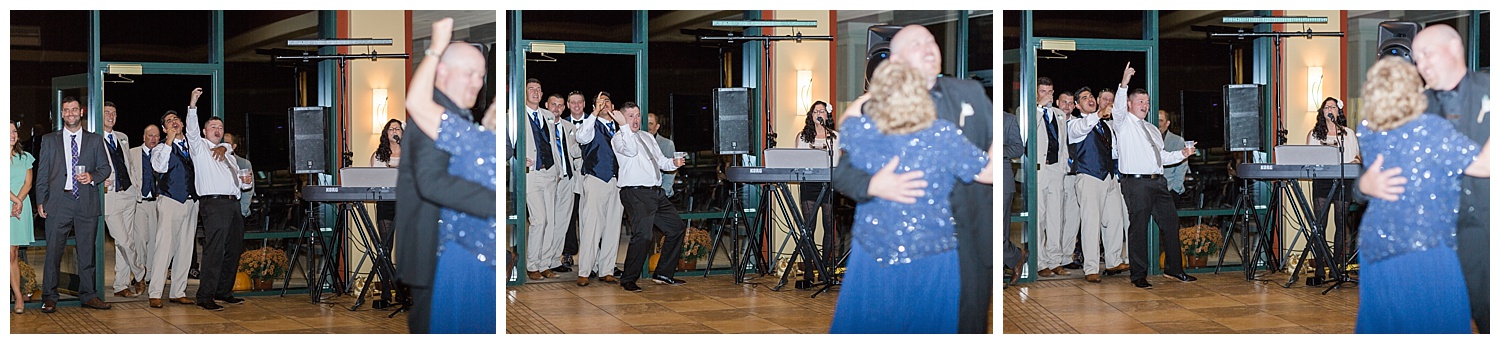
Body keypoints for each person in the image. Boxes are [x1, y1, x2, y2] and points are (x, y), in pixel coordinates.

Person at [830, 24, 995, 334]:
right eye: (918, 43)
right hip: (881, 251)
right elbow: (842, 172)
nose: (930, 47)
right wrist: (872, 185)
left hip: (966, 245)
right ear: (895, 60)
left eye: (932, 41)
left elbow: (992, 164)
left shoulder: (969, 92)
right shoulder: (872, 112)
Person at [1361, 24, 1490, 333]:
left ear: (1456, 48)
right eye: (1416, 58)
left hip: (1485, 236)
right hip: (1429, 247)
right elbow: (1371, 173)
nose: (1421, 65)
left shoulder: (1491, 88)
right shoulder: (1416, 110)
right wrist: (1364, 185)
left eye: (1426, 54)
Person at [393, 17, 495, 333]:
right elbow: (432, 181)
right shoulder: (433, 116)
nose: (477, 83)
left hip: (463, 249)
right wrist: (495, 205)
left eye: (481, 75)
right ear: (442, 73)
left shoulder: (459, 116)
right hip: (436, 247)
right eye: (469, 73)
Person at [1114, 62, 1196, 289]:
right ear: (1130, 104)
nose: (1145, 105)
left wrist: (1183, 153)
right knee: (1138, 228)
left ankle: (1173, 270)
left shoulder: (1151, 128)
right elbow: (1118, 108)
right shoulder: (1123, 123)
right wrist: (1124, 83)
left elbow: (1162, 158)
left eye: (1147, 102)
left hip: (1158, 182)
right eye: (1140, 101)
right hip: (1136, 183)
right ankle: (1138, 275)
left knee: (1171, 223)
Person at [35, 95, 113, 312]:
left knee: (87, 252)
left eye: (74, 109)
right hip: (59, 202)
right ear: (62, 114)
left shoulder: (95, 140)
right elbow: (42, 174)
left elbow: (105, 168)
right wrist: (41, 200)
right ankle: (49, 296)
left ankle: (89, 296)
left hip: (85, 201)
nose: (70, 113)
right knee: (53, 252)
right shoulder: (49, 140)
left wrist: (92, 176)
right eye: (66, 110)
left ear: (81, 112)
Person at [181, 88, 254, 311]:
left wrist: (247, 182)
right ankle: (205, 296)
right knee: (214, 250)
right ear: (204, 131)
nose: (217, 130)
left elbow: (240, 184)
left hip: (232, 204)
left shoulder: (229, 155)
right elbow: (191, 130)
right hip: (214, 204)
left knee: (233, 249)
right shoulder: (199, 147)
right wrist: (193, 102)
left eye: (220, 127)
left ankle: (224, 291)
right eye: (212, 127)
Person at [611, 102, 688, 292]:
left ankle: (663, 274)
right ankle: (628, 279)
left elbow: (661, 161)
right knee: (643, 235)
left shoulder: (647, 136)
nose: (636, 120)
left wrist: (674, 163)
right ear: (621, 118)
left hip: (655, 192)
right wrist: (622, 126)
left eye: (637, 115)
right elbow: (631, 150)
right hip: (635, 192)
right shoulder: (618, 138)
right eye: (630, 116)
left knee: (676, 228)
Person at [1064, 87, 1129, 282]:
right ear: (1077, 105)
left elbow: (1114, 152)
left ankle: (1113, 261)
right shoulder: (1074, 124)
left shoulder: (1105, 126)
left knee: (1115, 219)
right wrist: (1099, 114)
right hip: (1089, 177)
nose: (1090, 99)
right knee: (1091, 223)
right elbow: (1083, 129)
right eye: (1084, 98)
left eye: (1091, 96)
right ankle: (1091, 268)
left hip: (1109, 177)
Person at [572, 91, 625, 287]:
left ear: (613, 106)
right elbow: (582, 137)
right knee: (592, 226)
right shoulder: (590, 125)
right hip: (596, 179)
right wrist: (593, 114)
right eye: (600, 103)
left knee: (613, 226)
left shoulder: (620, 128)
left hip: (617, 182)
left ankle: (607, 270)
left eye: (607, 102)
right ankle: (585, 271)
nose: (604, 106)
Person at [147, 110, 198, 309]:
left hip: (192, 201)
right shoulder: (160, 148)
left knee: (185, 248)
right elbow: (159, 167)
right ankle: (156, 292)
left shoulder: (192, 145)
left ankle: (178, 291)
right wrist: (168, 141)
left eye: (176, 119)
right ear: (164, 129)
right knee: (164, 247)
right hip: (170, 201)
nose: (174, 122)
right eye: (168, 121)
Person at [99, 101, 146, 299]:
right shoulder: (93, 139)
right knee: (124, 240)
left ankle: (120, 285)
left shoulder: (123, 137)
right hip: (110, 197)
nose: (110, 116)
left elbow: (129, 165)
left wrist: (136, 187)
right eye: (107, 112)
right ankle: (141, 273)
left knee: (123, 242)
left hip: (129, 194)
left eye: (114, 112)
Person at [1306, 97, 1360, 270]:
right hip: (1322, 181)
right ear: (1322, 112)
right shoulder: (1314, 134)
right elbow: (1308, 158)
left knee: (1341, 223)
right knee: (1320, 224)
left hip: (1344, 180)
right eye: (1326, 107)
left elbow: (1357, 157)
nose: (1330, 109)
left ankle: (1336, 266)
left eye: (1333, 107)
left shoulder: (1348, 134)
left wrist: (1354, 162)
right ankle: (1321, 267)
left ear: (1338, 111)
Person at [520, 78, 565, 280]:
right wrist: (519, 160)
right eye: (531, 89)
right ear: (525, 92)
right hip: (532, 175)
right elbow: (507, 144)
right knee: (539, 220)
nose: (536, 93)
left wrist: (558, 170)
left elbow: (554, 143)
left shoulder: (547, 115)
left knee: (551, 221)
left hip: (550, 172)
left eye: (538, 89)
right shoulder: (516, 115)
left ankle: (545, 264)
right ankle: (532, 265)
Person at [1033, 77, 1073, 277]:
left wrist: (1064, 166)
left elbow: (1064, 143)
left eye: (1050, 91)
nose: (1047, 94)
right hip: (1039, 171)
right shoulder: (1028, 111)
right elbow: (1029, 132)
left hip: (1056, 170)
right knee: (1039, 218)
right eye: (1043, 91)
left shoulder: (1059, 114)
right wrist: (1039, 107)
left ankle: (1055, 260)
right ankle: (1040, 262)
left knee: (1056, 217)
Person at [795, 100, 842, 266]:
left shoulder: (835, 138)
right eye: (815, 111)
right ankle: (809, 267)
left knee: (828, 227)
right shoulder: (802, 137)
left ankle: (823, 268)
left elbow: (838, 162)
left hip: (829, 185)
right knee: (809, 227)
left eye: (821, 111)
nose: (818, 114)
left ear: (827, 115)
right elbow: (798, 161)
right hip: (809, 184)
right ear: (811, 115)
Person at [127, 124, 162, 298]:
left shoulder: (163, 153)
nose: (153, 139)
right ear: (143, 137)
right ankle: (139, 274)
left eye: (156, 136)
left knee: (155, 240)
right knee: (140, 239)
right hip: (139, 202)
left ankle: (148, 277)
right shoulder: (132, 153)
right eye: (150, 135)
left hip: (157, 203)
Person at [546, 93, 580, 274]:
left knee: (563, 221)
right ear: (547, 105)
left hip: (568, 179)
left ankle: (554, 259)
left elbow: (575, 152)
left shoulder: (569, 127)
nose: (556, 108)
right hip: (550, 178)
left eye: (560, 105)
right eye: (553, 105)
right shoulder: (542, 125)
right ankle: (543, 259)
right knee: (547, 220)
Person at [559, 91, 589, 270]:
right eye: (573, 103)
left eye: (579, 102)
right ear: (568, 105)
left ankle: (590, 253)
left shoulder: (593, 122)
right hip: (570, 178)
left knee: (589, 216)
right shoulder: (561, 124)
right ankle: (568, 252)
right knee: (569, 215)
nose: (576, 105)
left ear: (584, 104)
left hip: (589, 177)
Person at [10, 120, 36, 314]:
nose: (12, 134)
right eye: (8, 131)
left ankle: (18, 296)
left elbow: (29, 183)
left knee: (13, 253)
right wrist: (15, 201)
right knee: (8, 253)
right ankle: (18, 296)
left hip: (19, 208)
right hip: (10, 205)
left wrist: (18, 201)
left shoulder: (25, 156)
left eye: (14, 131)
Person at [1000, 111, 1026, 286]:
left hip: (1002, 181)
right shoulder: (972, 117)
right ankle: (1016, 255)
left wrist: (995, 150)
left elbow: (1018, 147)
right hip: (977, 182)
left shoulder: (1008, 120)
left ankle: (999, 272)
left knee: (999, 231)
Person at [370, 119, 401, 249]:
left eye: (398, 129)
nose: (394, 131)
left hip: (406, 201)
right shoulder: (378, 156)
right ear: (386, 133)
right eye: (391, 129)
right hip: (385, 202)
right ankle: (386, 269)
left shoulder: (411, 154)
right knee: (386, 246)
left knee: (408, 246)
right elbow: (374, 179)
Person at [1159, 111, 1191, 196]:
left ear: (1167, 123)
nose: (1158, 124)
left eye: (1161, 120)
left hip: (1170, 189)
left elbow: (1182, 167)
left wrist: (1175, 189)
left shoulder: (1177, 141)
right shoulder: (1148, 140)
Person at [647, 112, 678, 197]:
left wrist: (663, 192)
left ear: (657, 127)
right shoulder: (637, 142)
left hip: (659, 193)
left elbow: (670, 172)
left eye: (651, 123)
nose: (648, 127)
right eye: (645, 123)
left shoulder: (667, 144)